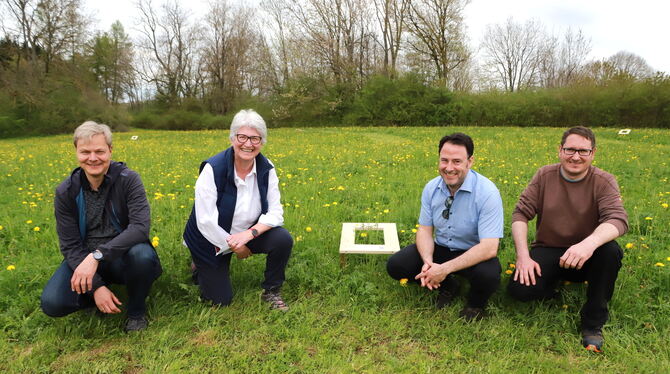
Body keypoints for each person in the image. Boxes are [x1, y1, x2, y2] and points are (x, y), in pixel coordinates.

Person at [507, 126, 628, 352]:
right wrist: (522, 256)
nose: (575, 156)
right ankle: (552, 287)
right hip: (550, 249)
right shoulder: (544, 175)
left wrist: (587, 244)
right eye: (570, 149)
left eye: (583, 151)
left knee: (610, 251)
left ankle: (593, 323)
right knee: (518, 291)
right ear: (559, 150)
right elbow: (520, 214)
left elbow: (618, 219)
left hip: (588, 255)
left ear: (593, 153)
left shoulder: (604, 181)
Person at [40, 121, 162, 332]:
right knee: (53, 302)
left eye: (99, 151)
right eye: (85, 152)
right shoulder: (66, 191)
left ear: (110, 151)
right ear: (76, 152)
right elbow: (70, 246)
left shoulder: (129, 180)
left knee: (142, 256)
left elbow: (140, 228)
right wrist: (96, 286)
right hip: (84, 259)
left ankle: (136, 311)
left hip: (122, 255)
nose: (93, 158)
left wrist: (97, 256)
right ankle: (92, 298)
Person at [386, 133, 504, 321]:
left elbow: (489, 247)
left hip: (473, 252)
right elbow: (425, 230)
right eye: (444, 160)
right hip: (441, 247)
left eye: (457, 161)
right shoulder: (431, 188)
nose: (449, 168)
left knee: (488, 274)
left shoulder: (488, 192)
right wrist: (428, 262)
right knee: (396, 265)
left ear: (470, 161)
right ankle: (448, 285)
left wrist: (444, 268)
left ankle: (475, 305)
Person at [183, 109, 293, 310]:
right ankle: (198, 265)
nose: (248, 144)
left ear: (262, 142)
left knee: (282, 239)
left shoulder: (267, 168)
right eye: (242, 137)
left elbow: (276, 212)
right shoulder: (212, 169)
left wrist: (250, 234)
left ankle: (272, 290)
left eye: (255, 138)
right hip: (210, 237)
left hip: (246, 232)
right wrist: (237, 247)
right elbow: (206, 222)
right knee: (220, 300)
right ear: (232, 138)